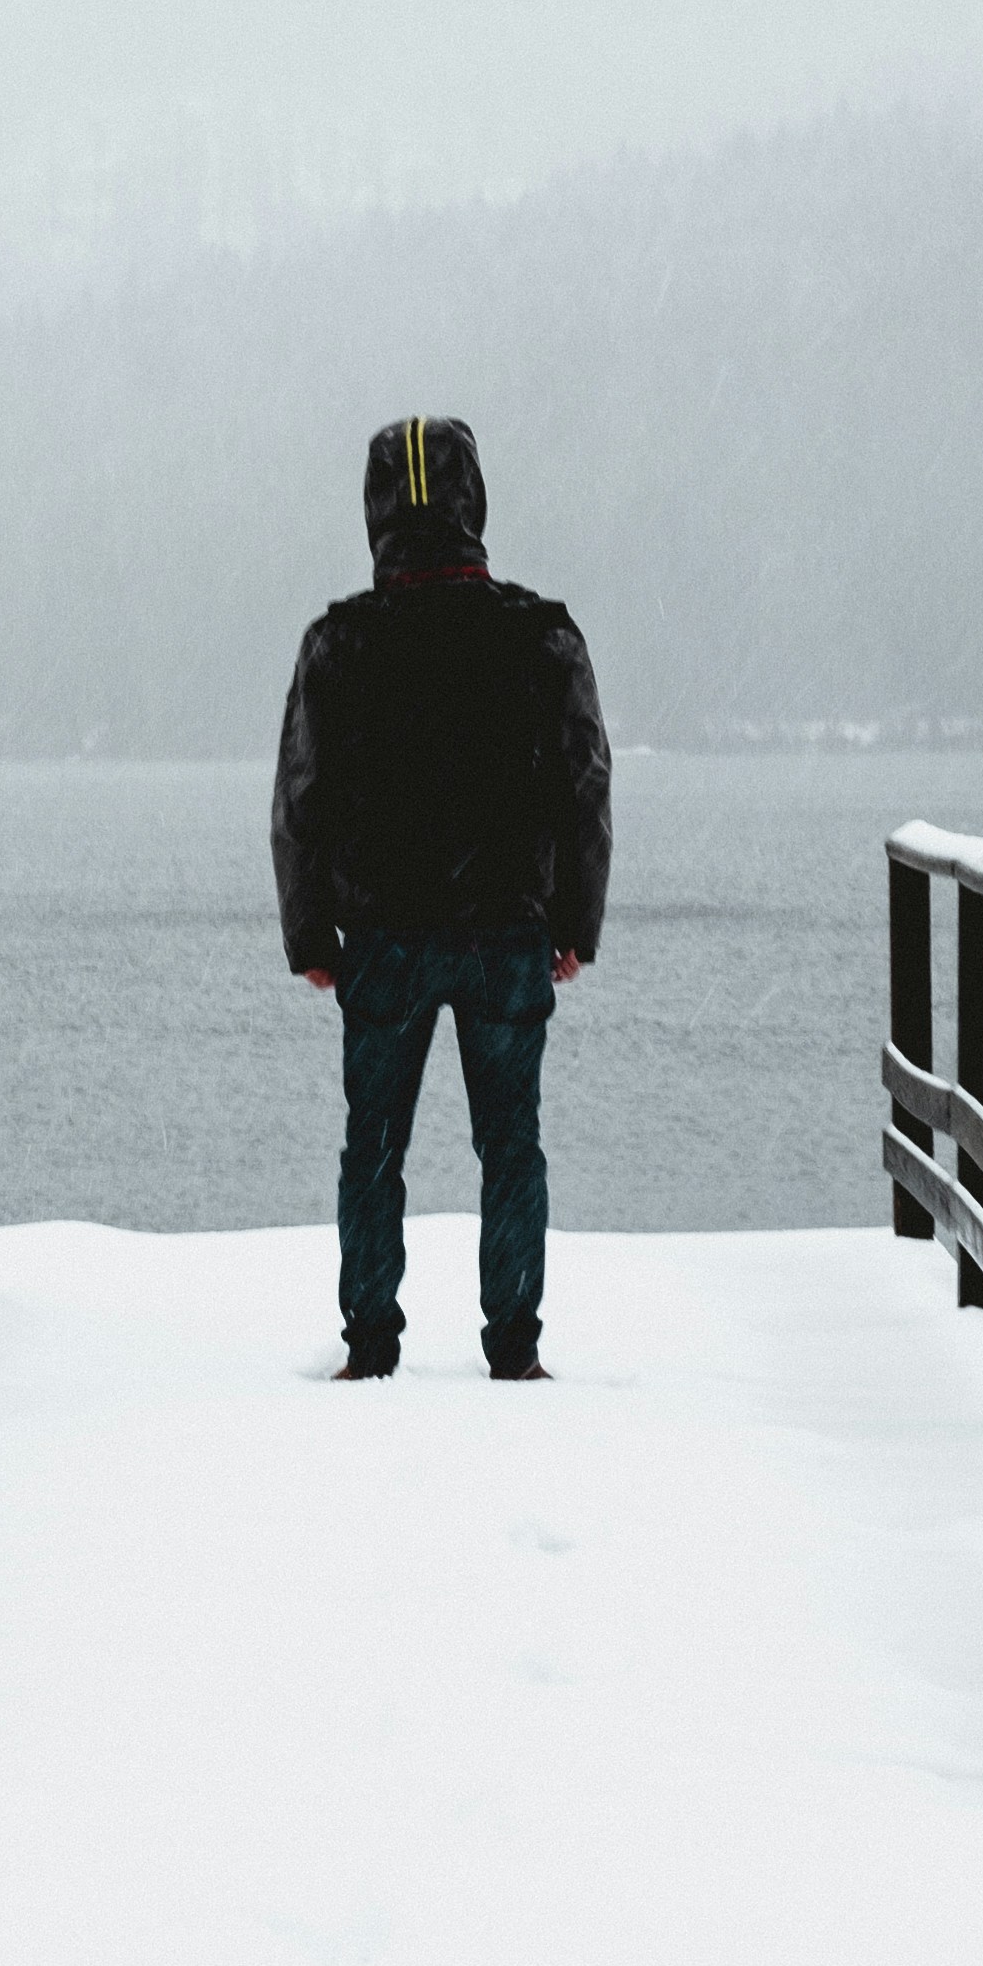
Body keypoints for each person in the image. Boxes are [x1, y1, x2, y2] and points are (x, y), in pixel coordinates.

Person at [271, 415, 612, 1381]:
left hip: (382, 937)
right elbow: (584, 784)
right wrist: (574, 922)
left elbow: (301, 798)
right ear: (475, 503)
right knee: (511, 1147)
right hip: (508, 930)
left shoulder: (340, 643)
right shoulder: (539, 636)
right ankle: (514, 1350)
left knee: (373, 1153)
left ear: (377, 511)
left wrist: (310, 934)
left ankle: (370, 1349)